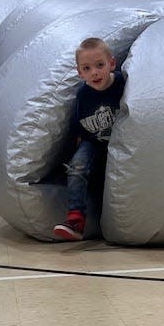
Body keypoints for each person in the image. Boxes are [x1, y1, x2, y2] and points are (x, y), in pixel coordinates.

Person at [53, 37, 126, 241]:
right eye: (87, 68)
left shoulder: (122, 83)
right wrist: (75, 151)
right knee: (77, 167)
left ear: (111, 64)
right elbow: (78, 125)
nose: (94, 72)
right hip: (93, 142)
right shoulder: (83, 94)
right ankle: (76, 219)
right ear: (80, 73)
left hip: (119, 140)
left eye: (100, 65)